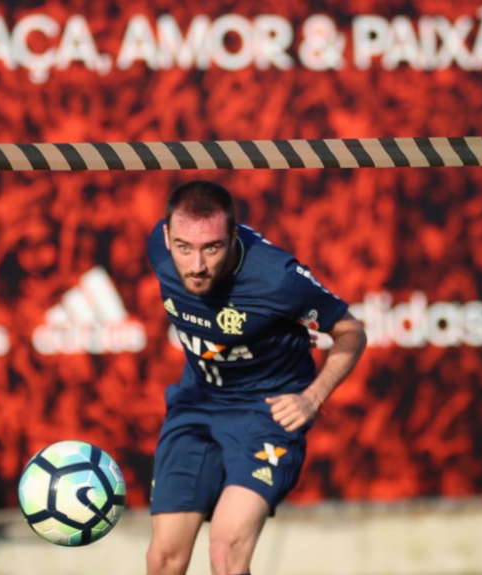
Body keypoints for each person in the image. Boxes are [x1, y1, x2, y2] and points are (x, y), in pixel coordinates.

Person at [146, 180, 367, 575]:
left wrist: (313, 398)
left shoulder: (279, 278)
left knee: (226, 551)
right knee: (164, 560)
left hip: (266, 413)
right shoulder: (157, 252)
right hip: (195, 403)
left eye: (211, 248)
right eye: (184, 247)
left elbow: (351, 332)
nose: (197, 265)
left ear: (233, 237)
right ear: (166, 236)